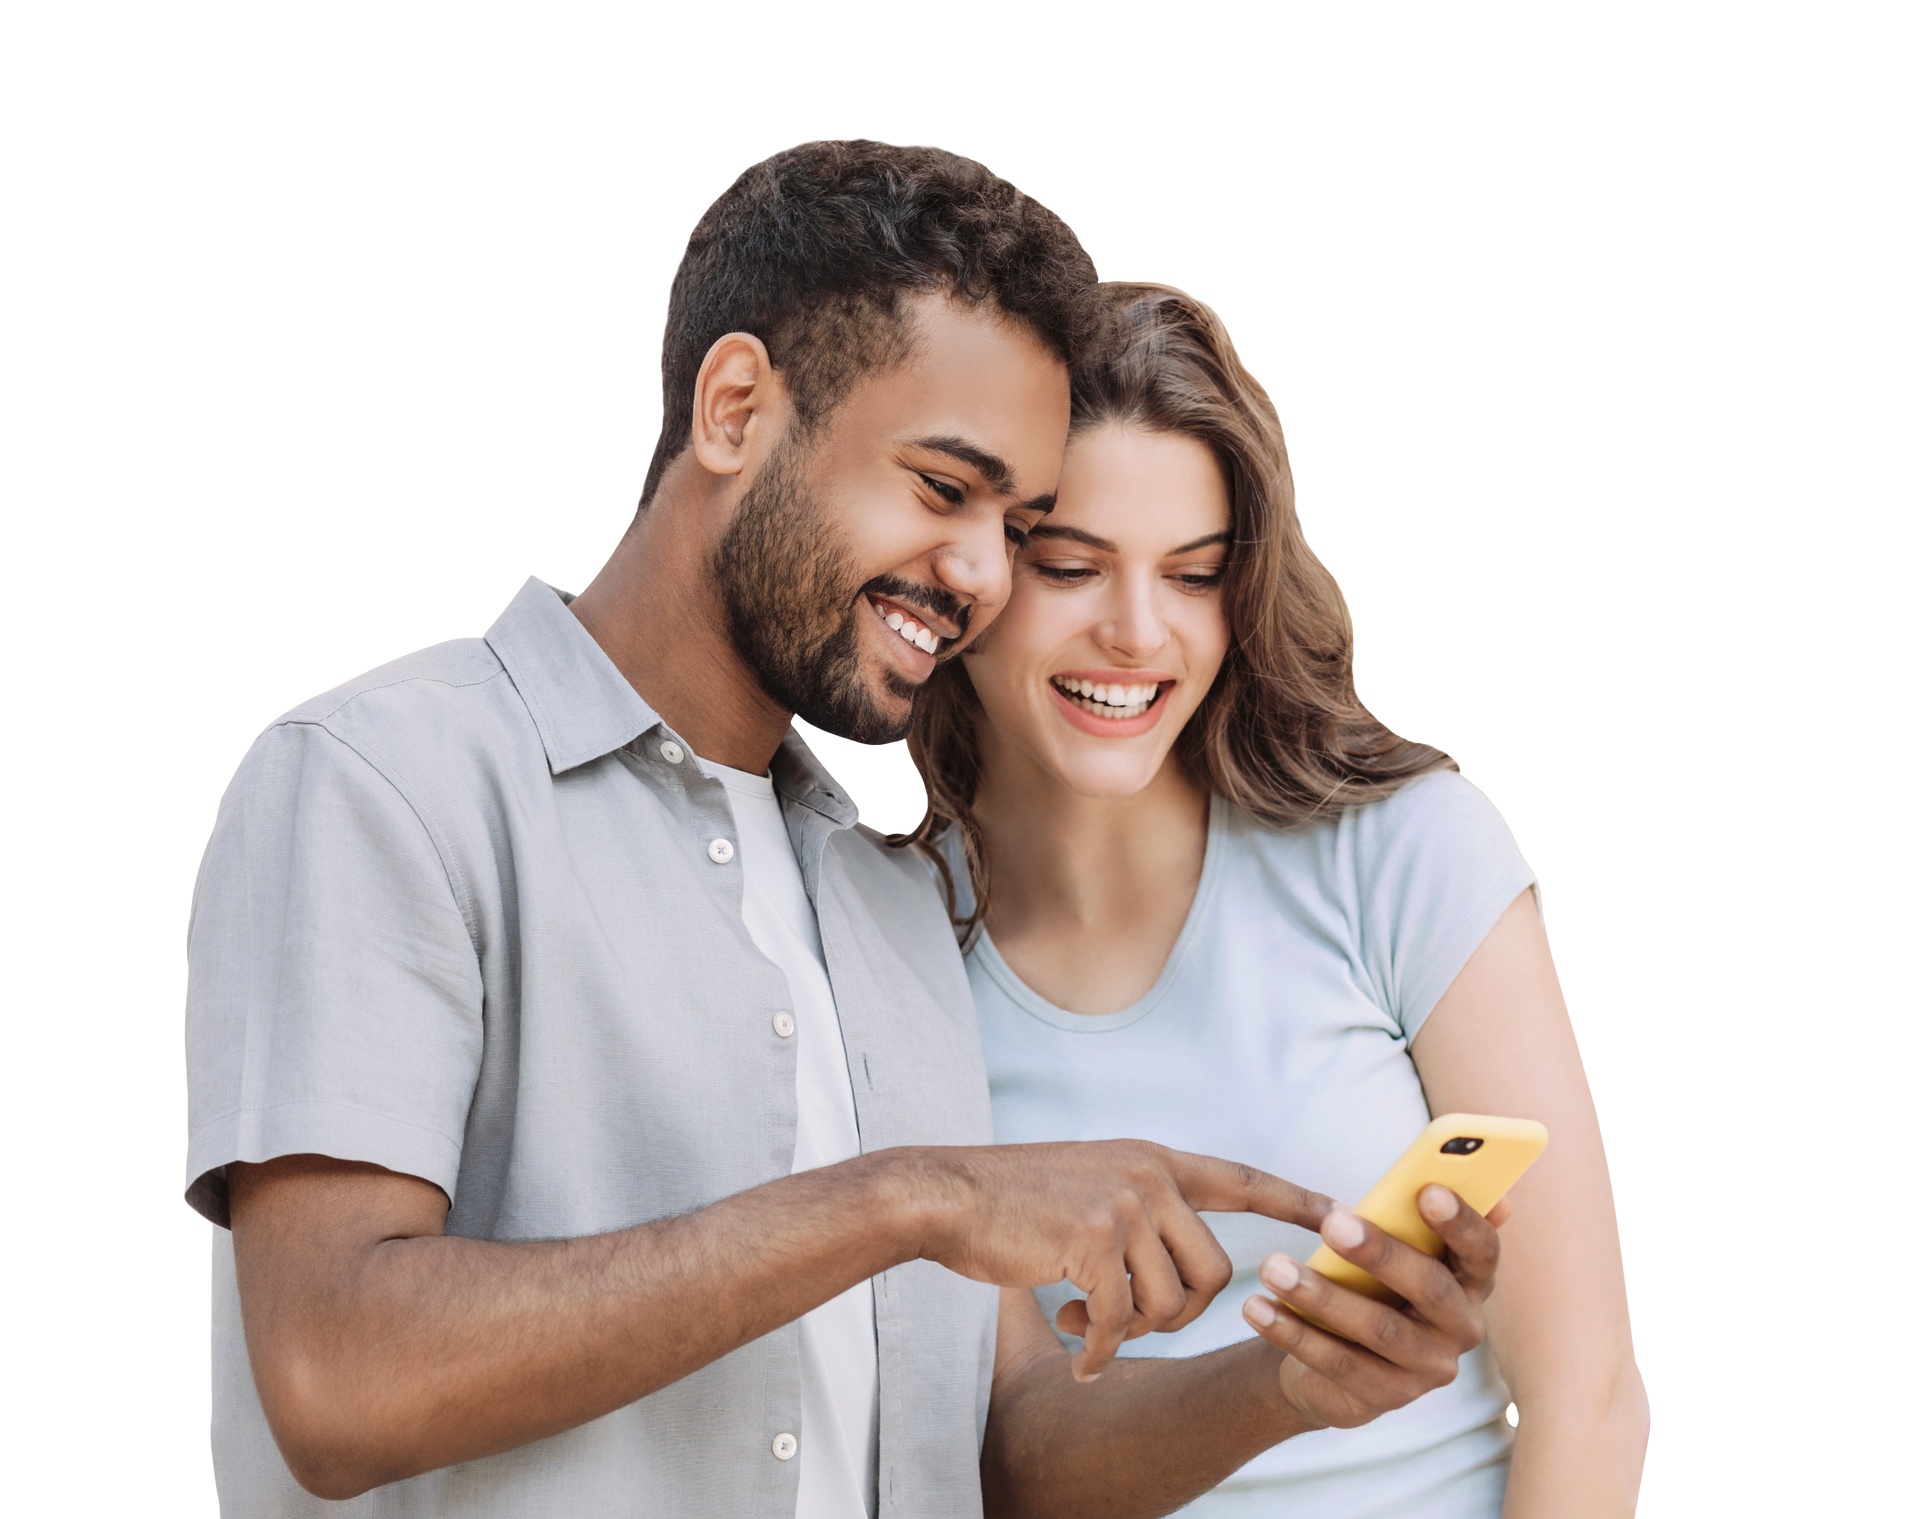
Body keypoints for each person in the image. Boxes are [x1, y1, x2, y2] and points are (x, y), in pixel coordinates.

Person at [183, 143, 1507, 1518]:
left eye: (1018, 523)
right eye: (945, 488)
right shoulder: (383, 779)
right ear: (737, 406)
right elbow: (337, 1380)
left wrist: (1289, 1384)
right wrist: (905, 1196)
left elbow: (992, 1446)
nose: (984, 576)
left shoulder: (887, 898)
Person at [904, 279, 1653, 1517]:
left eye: (1193, 575)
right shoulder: (888, 939)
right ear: (969, 573)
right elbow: (998, 1455)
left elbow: (1589, 1398)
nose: (1137, 633)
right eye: (1074, 566)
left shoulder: (1406, 853)